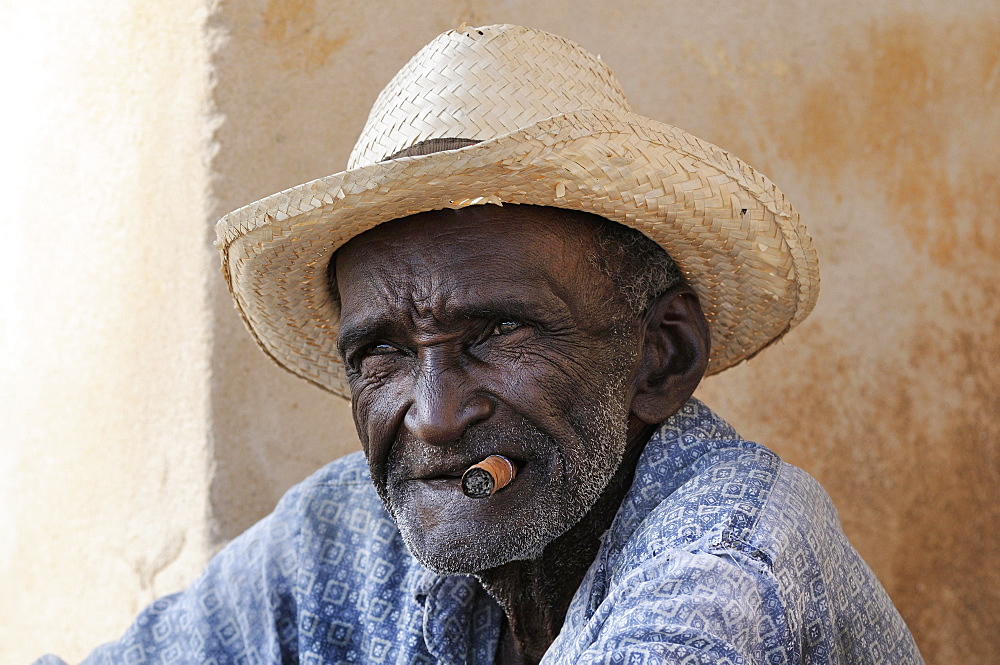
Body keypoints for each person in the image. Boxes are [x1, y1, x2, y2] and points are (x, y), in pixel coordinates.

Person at [37, 24, 923, 665]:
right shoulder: (348, 527)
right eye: (381, 351)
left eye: (500, 330)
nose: (432, 418)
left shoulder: (727, 556)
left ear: (662, 356)